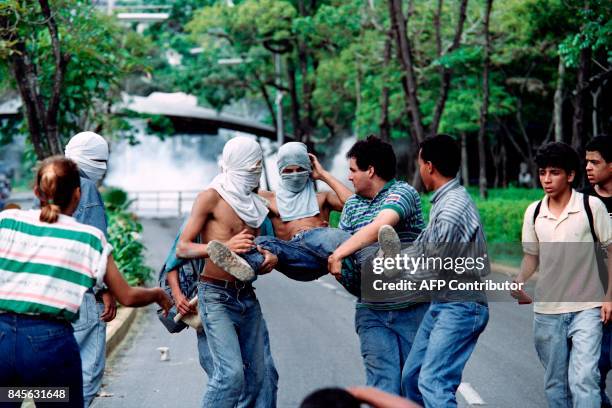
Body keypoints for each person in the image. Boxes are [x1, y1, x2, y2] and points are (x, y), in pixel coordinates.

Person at [0, 156, 171, 408]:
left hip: (3, 343)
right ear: (78, 195)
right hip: (48, 346)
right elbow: (127, 296)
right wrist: (158, 294)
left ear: (36, 191)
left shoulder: (7, 222)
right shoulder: (89, 238)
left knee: (8, 398)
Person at [176, 136, 278, 408]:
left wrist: (268, 257)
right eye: (250, 167)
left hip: (246, 295)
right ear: (234, 164)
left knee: (259, 377)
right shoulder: (210, 197)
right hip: (215, 295)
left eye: (258, 166)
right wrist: (220, 248)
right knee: (230, 375)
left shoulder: (256, 204)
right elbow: (182, 248)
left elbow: (253, 248)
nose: (255, 172)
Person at [325, 135, 428, 396]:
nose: (349, 177)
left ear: (370, 170)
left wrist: (338, 254)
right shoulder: (351, 207)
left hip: (411, 308)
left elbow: (382, 224)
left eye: (352, 170)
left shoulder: (403, 192)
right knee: (382, 387)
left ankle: (388, 261)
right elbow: (346, 248)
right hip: (371, 308)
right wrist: (339, 264)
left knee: (413, 387)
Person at [512, 142, 612, 407]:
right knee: (555, 384)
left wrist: (609, 297)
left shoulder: (592, 207)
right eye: (542, 172)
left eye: (554, 172)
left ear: (570, 175)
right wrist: (519, 280)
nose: (546, 179)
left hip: (587, 308)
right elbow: (532, 257)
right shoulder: (533, 212)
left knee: (585, 379)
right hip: (547, 311)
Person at [398, 134, 489, 407]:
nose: (419, 171)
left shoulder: (451, 209)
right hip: (443, 301)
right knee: (412, 378)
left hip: (462, 305)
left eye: (419, 165)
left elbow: (434, 269)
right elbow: (423, 246)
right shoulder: (444, 202)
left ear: (429, 166)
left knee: (433, 382)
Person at [162, 219, 279, 408]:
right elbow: (172, 263)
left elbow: (268, 253)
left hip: (244, 298)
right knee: (227, 378)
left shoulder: (257, 215)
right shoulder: (203, 214)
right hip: (209, 300)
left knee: (265, 376)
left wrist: (271, 258)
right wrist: (177, 296)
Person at [207, 141, 353, 284]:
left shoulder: (322, 198)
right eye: (288, 171)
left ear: (309, 169)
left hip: (321, 258)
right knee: (261, 243)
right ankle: (247, 267)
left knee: (333, 235)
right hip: (292, 257)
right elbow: (230, 189)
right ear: (279, 171)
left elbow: (355, 206)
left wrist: (323, 174)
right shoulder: (269, 199)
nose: (295, 175)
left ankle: (365, 269)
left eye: (300, 169)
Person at [65, 131, 117, 407]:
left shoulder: (51, 183)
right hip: (83, 294)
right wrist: (104, 290)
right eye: (100, 160)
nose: (103, 168)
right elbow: (93, 245)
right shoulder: (85, 188)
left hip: (51, 293)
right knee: (86, 374)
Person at [583, 135, 612, 407]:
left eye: (595, 162)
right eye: (587, 162)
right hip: (594, 300)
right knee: (593, 373)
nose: (589, 167)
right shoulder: (582, 201)